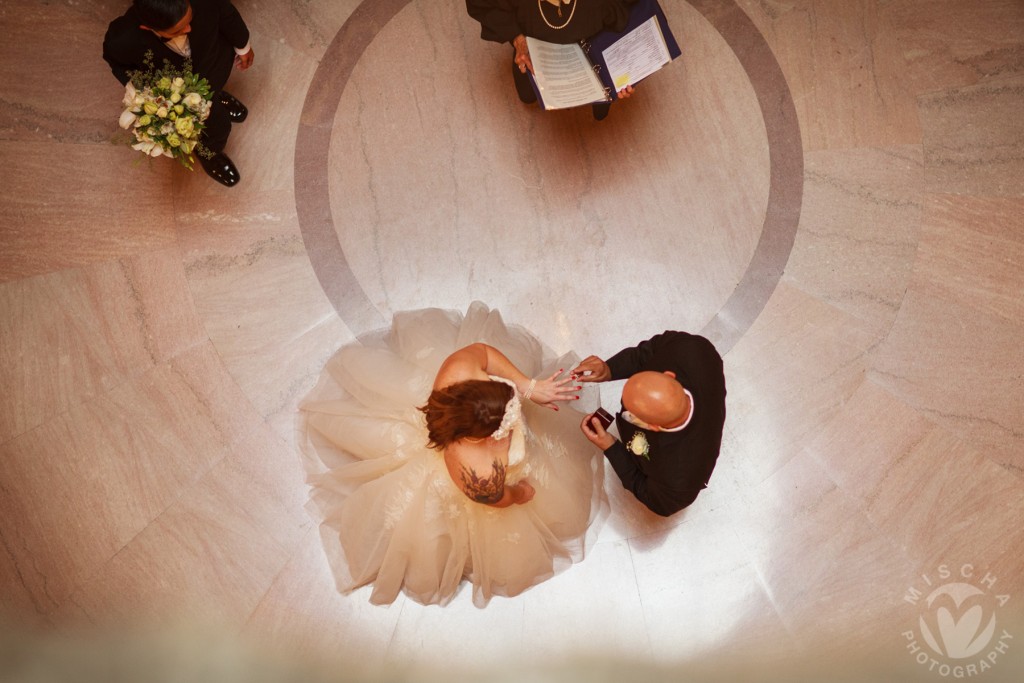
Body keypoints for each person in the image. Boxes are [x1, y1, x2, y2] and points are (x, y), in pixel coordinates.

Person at [298, 303, 608, 606]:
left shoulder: (460, 372)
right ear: (475, 436)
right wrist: (518, 493)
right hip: (500, 472)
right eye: (499, 425)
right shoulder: (476, 472)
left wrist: (527, 388)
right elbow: (496, 497)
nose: (510, 417)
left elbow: (484, 353)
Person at [574, 331, 726, 517]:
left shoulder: (678, 480)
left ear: (653, 427)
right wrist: (609, 369)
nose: (625, 412)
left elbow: (651, 497)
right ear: (668, 374)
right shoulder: (692, 348)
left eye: (632, 414)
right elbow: (645, 354)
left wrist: (611, 446)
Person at [103, 0, 254, 187]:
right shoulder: (123, 38)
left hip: (214, 65)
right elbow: (118, 63)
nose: (189, 29)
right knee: (219, 126)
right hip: (181, 95)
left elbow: (226, 12)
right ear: (146, 26)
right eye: (177, 30)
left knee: (214, 88)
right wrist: (144, 91)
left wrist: (243, 46)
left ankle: (217, 96)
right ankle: (210, 153)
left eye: (190, 19)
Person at [465, 0, 638, 120]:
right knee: (527, 94)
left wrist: (624, 65)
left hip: (593, 42)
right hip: (534, 43)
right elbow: (483, 5)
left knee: (609, 87)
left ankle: (603, 99)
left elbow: (632, 11)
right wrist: (518, 40)